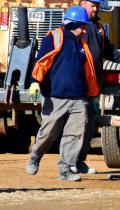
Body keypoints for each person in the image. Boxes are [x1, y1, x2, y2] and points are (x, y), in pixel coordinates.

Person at [26, 6, 99, 181]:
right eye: (82, 26)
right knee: (48, 133)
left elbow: (88, 71)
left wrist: (92, 95)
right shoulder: (55, 37)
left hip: (79, 98)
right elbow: (42, 61)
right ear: (73, 24)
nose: (84, 29)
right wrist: (35, 82)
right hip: (55, 97)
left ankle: (65, 169)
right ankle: (35, 156)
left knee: (75, 134)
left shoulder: (82, 43)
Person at [72, 0, 120, 174]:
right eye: (92, 5)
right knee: (76, 126)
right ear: (82, 4)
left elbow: (109, 52)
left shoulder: (98, 27)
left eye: (97, 5)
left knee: (88, 125)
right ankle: (67, 163)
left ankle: (79, 162)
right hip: (76, 85)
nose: (95, 8)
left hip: (92, 86)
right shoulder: (74, 29)